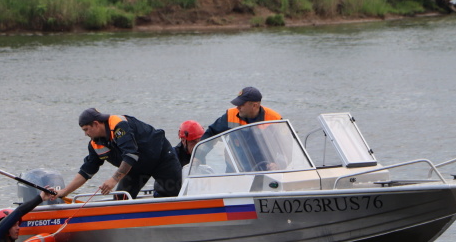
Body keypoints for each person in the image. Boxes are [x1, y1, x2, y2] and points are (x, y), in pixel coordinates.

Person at [50, 108, 183, 200]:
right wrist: (65, 192)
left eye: (86, 130)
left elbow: (131, 154)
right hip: (135, 168)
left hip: (161, 159)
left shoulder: (120, 126)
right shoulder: (95, 144)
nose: (86, 134)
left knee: (173, 193)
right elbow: (87, 171)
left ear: (96, 124)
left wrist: (113, 180)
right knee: (120, 198)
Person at [200, 86, 282, 140]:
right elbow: (211, 133)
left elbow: (286, 145)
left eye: (241, 104)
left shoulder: (275, 120)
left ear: (254, 106)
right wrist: (198, 157)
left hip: (265, 165)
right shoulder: (231, 115)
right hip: (235, 165)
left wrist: (279, 163)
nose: (238, 107)